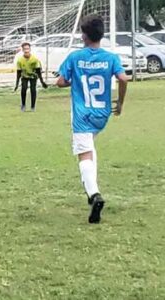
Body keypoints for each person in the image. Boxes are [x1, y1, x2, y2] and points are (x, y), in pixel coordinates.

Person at [55, 15, 129, 224]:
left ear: (84, 35)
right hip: (102, 113)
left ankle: (94, 194)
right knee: (90, 148)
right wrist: (120, 103)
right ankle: (91, 190)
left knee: (84, 153)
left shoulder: (75, 57)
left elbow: (60, 82)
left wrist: (74, 81)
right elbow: (123, 78)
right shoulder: (111, 57)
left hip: (82, 114)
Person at [15, 42, 48, 112]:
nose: (26, 50)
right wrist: (17, 84)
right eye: (25, 49)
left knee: (33, 90)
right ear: (22, 50)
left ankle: (33, 106)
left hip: (33, 76)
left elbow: (38, 71)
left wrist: (42, 82)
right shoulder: (20, 60)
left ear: (30, 49)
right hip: (24, 76)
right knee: (24, 88)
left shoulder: (34, 59)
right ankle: (23, 105)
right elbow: (18, 72)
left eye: (27, 48)